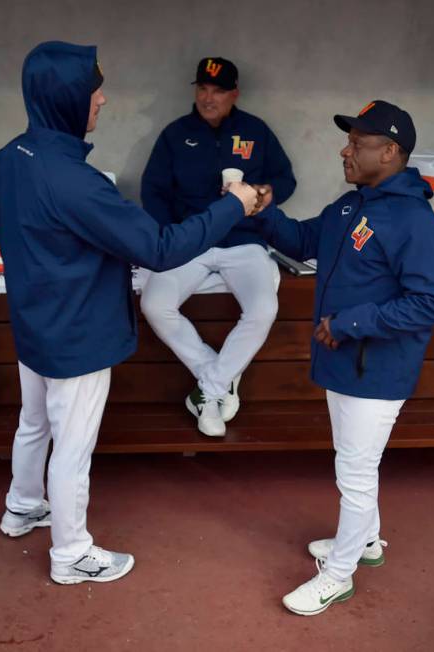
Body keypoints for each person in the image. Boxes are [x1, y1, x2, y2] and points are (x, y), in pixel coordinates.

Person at [0, 41, 259, 585]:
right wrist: (234, 205)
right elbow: (159, 247)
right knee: (74, 446)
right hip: (77, 332)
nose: (103, 99)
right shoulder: (73, 180)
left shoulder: (7, 158)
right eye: (94, 90)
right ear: (67, 97)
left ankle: (22, 506)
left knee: (34, 423)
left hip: (35, 322)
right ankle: (71, 554)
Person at [252, 100, 434, 615]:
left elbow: (430, 302)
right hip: (344, 365)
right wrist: (263, 212)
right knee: (354, 464)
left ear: (390, 152)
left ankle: (338, 575)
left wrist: (350, 323)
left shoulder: (415, 220)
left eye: (358, 144)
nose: (345, 150)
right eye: (348, 140)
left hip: (379, 371)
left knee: (355, 474)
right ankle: (365, 543)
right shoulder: (349, 206)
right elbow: (301, 241)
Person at [140, 57, 297, 437]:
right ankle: (219, 375)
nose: (209, 98)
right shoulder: (176, 134)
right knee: (153, 304)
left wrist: (266, 194)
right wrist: (173, 235)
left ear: (234, 94)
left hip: (245, 240)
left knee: (264, 308)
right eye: (203, 89)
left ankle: (208, 390)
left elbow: (285, 180)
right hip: (190, 241)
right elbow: (153, 191)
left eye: (219, 91)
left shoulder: (255, 131)